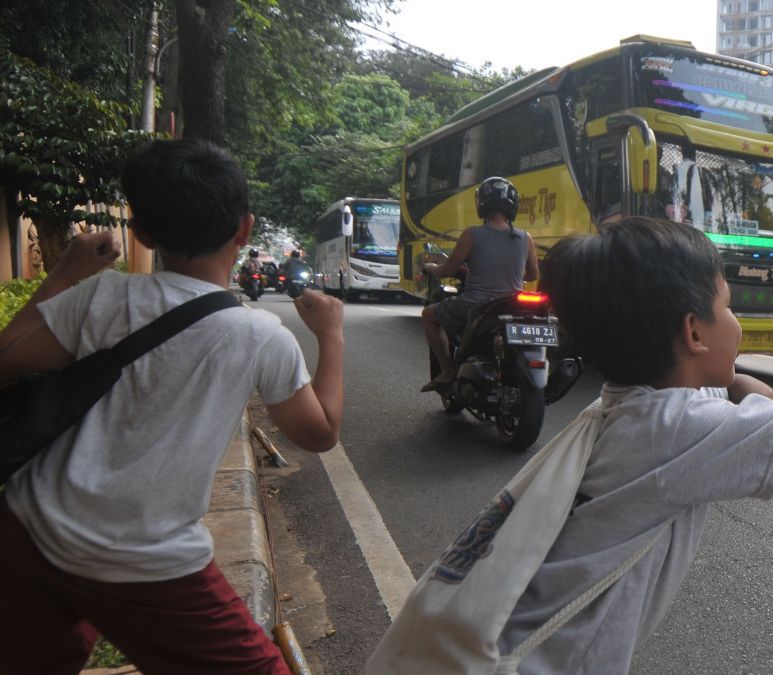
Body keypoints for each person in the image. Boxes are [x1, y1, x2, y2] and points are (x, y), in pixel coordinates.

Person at [497, 216, 773, 672]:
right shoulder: (678, 428)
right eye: (728, 306)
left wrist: (729, 376)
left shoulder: (633, 404)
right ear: (694, 333)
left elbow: (764, 407)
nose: (736, 323)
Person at [0, 139, 345, 674]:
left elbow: (7, 358)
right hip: (146, 559)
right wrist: (332, 335)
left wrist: (67, 271)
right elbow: (320, 432)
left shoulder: (101, 297)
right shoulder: (259, 336)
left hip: (28, 530)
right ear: (245, 229)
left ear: (140, 234)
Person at [420, 176, 538, 392]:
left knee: (428, 315)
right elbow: (532, 274)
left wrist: (430, 268)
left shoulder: (471, 235)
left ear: (481, 203)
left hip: (476, 304)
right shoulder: (526, 238)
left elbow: (449, 270)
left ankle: (447, 370)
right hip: (513, 305)